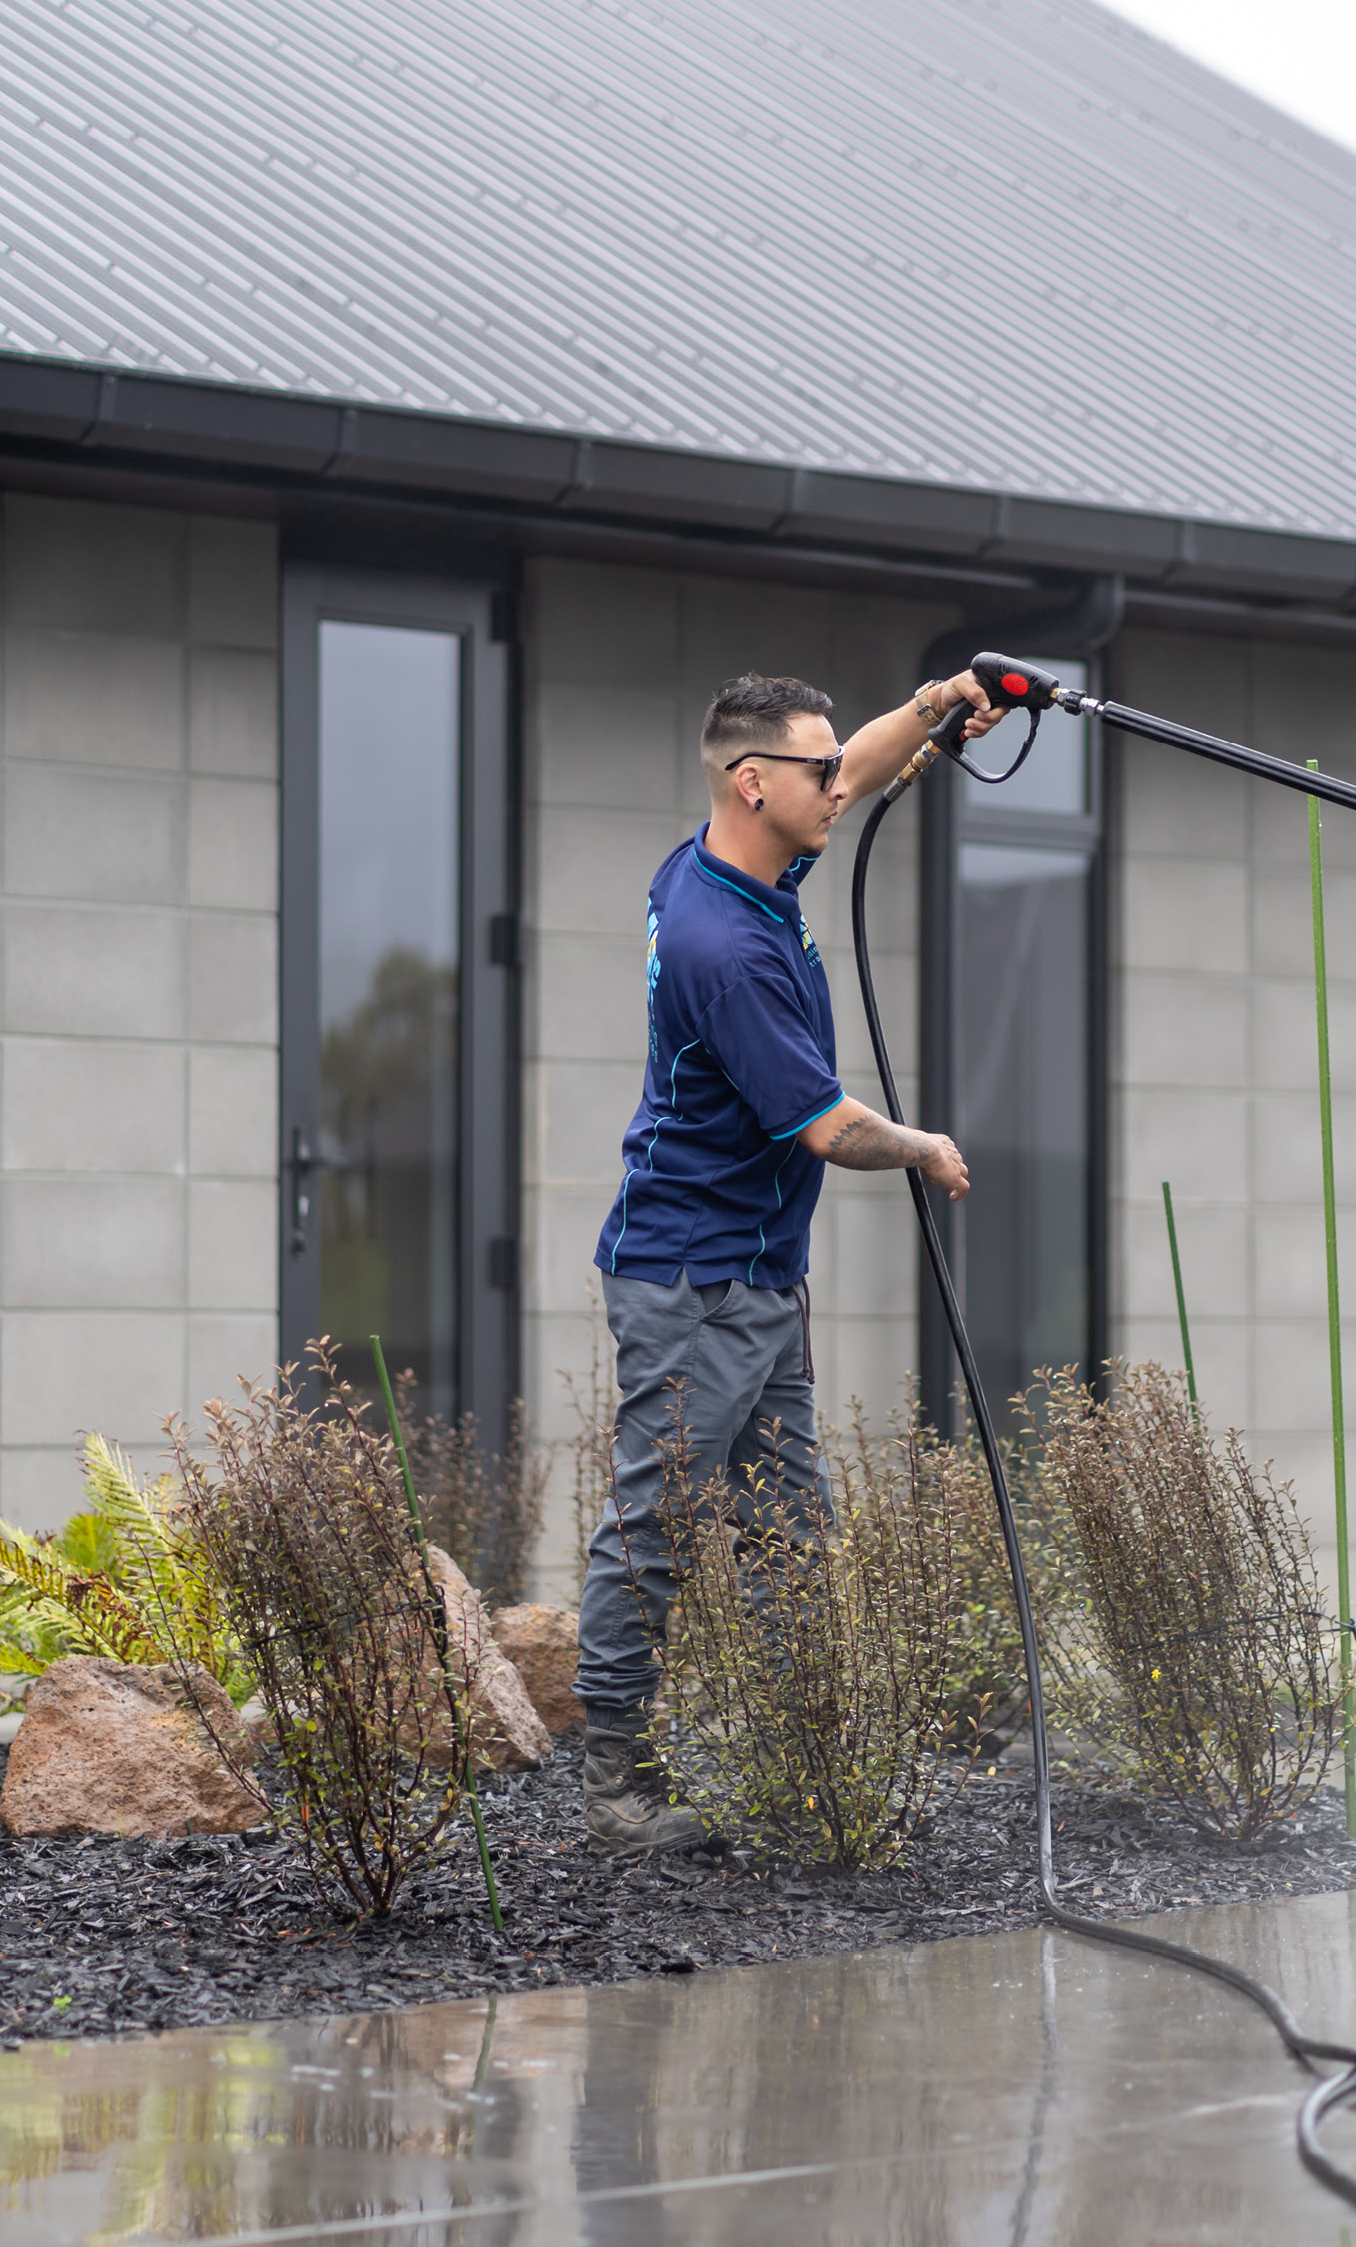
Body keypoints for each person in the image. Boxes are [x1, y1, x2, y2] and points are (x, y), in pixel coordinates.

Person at [574, 666, 1005, 1850]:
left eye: (830, 765)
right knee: (653, 1525)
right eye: (812, 771)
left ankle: (805, 1760)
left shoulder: (739, 862)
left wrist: (944, 699)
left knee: (789, 1532)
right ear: (752, 782)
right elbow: (825, 1128)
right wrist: (922, 1146)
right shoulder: (726, 946)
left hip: (754, 1276)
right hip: (690, 1279)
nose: (837, 787)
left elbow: (861, 768)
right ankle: (616, 1780)